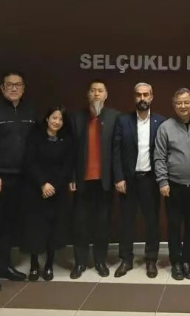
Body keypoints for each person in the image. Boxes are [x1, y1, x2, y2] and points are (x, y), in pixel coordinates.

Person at [0, 70, 36, 292]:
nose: (13, 88)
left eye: (18, 84)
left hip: (21, 178)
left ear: (24, 88)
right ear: (2, 89)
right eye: (9, 85)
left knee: (9, 224)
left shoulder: (30, 111)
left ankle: (4, 266)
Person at [112, 82, 166, 278]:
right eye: (138, 95)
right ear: (134, 97)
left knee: (152, 221)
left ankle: (151, 260)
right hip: (128, 180)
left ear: (152, 97)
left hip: (150, 179)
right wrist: (118, 177)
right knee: (127, 221)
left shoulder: (161, 121)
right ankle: (126, 259)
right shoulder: (123, 120)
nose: (142, 98)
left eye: (145, 94)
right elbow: (116, 151)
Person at [69, 79, 120, 279]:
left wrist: (118, 178)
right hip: (82, 181)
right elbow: (71, 151)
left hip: (104, 182)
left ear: (106, 95)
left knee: (102, 224)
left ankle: (100, 261)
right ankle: (80, 263)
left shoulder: (114, 117)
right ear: (88, 94)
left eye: (100, 91)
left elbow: (117, 150)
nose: (96, 94)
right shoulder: (76, 118)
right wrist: (72, 176)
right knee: (80, 224)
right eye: (93, 90)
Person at [154, 88, 190, 281]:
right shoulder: (165, 127)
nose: (183, 106)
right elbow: (159, 157)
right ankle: (176, 262)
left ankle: (187, 261)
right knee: (174, 225)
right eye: (179, 103)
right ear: (174, 105)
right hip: (173, 186)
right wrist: (163, 181)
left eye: (186, 102)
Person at [21, 106, 73, 282]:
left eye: (60, 119)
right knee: (35, 228)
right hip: (36, 189)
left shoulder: (66, 139)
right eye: (54, 118)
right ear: (47, 119)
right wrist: (43, 183)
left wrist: (54, 186)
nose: (57, 122)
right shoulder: (35, 137)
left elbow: (67, 166)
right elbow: (29, 162)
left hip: (57, 190)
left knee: (53, 228)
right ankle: (34, 265)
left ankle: (49, 264)